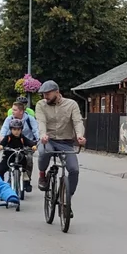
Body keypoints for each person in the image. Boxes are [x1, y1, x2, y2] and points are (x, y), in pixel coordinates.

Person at [35, 80, 85, 211]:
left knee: (74, 170)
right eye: (43, 94)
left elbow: (77, 121)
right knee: (45, 152)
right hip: (48, 140)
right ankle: (42, 175)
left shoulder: (71, 104)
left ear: (57, 92)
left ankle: (67, 199)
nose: (45, 97)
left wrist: (80, 135)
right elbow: (41, 121)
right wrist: (43, 135)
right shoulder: (41, 105)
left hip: (66, 142)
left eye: (48, 94)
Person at [0, 120, 36, 192]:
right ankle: (1, 187)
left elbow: (29, 142)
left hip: (20, 157)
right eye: (14, 129)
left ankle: (26, 182)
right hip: (8, 157)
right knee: (0, 171)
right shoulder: (8, 137)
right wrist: (0, 146)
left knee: (26, 165)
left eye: (18, 129)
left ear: (21, 130)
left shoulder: (22, 138)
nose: (16, 131)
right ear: (11, 129)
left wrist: (33, 146)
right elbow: (2, 143)